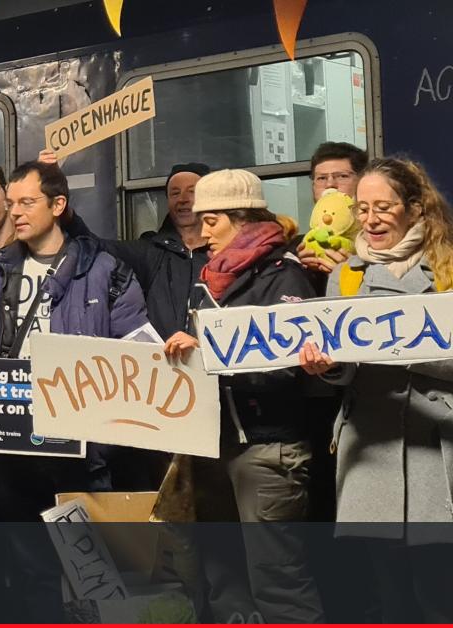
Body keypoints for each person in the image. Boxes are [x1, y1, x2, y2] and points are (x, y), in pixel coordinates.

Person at [0, 160, 149, 622]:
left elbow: (137, 350)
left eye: (26, 202)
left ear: (58, 206)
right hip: (12, 449)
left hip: (80, 450)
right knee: (29, 572)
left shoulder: (105, 270)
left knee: (89, 573)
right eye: (13, 202)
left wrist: (168, 351)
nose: (13, 211)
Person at [162, 169, 323, 623]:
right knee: (222, 575)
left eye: (211, 220)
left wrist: (209, 353)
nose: (202, 230)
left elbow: (290, 367)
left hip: (266, 448)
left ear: (243, 218)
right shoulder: (209, 277)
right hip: (212, 445)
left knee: (278, 581)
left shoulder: (284, 277)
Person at [299, 157, 453, 622]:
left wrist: (399, 349)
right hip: (371, 451)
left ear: (414, 207)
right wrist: (327, 367)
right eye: (362, 208)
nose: (370, 219)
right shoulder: (346, 274)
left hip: (439, 449)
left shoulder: (446, 269)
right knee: (386, 595)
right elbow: (343, 372)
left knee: (437, 589)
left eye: (383, 207)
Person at [106, 163, 211, 339]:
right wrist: (67, 215)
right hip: (160, 363)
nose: (182, 199)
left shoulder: (227, 253)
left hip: (215, 361)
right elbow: (97, 244)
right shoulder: (150, 251)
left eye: (192, 191)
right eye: (175, 193)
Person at [296, 142, 370, 275]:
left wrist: (355, 272)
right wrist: (302, 270)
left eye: (342, 176)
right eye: (321, 178)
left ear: (362, 181)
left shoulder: (378, 241)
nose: (330, 184)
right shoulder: (297, 248)